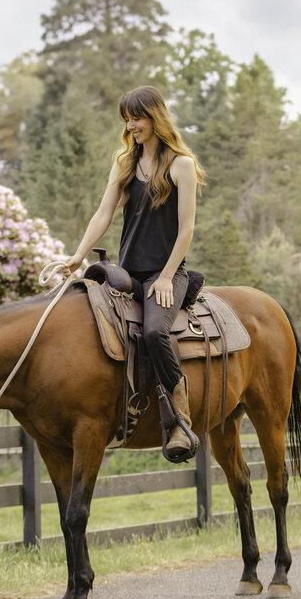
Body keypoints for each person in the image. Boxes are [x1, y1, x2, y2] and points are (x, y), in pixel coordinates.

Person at [65, 85, 206, 461]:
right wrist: (78, 255)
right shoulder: (125, 162)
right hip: (127, 273)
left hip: (167, 273)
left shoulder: (181, 165)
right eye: (126, 118)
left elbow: (186, 228)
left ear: (154, 117)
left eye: (137, 117)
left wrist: (164, 276)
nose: (130, 125)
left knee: (156, 330)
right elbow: (103, 214)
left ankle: (180, 417)